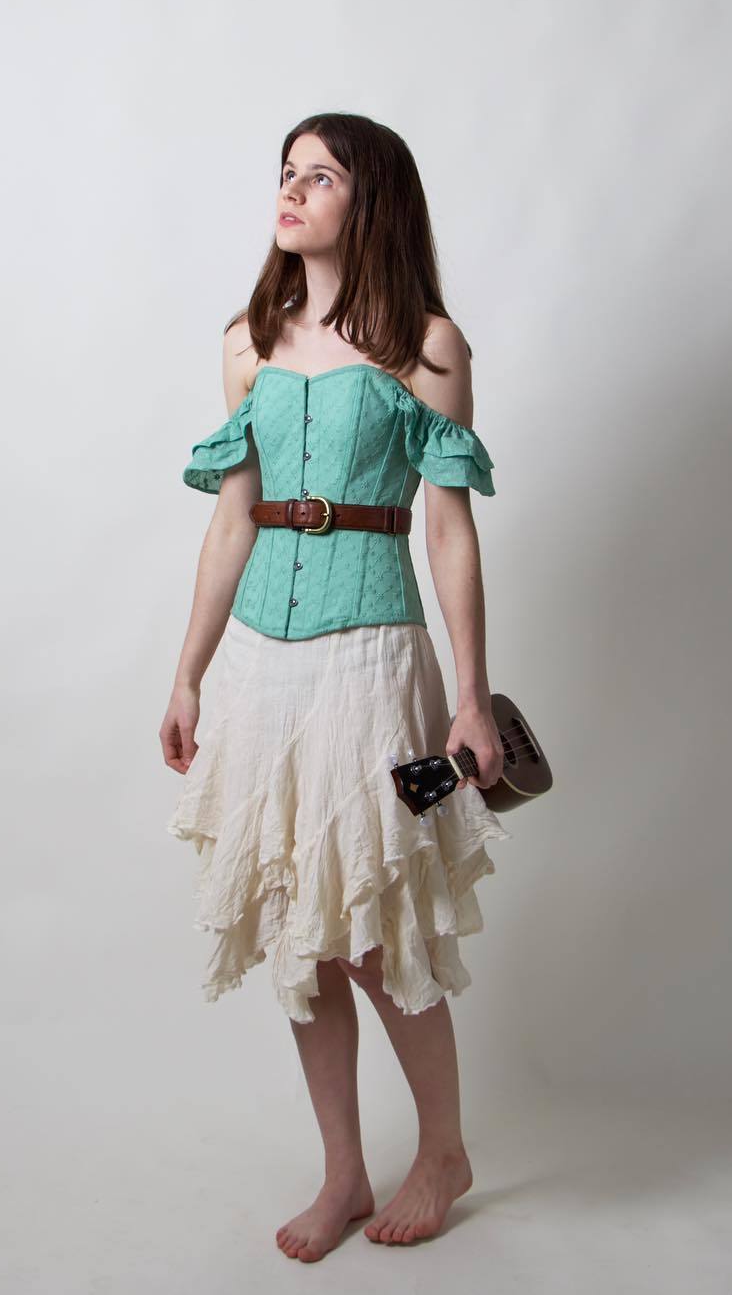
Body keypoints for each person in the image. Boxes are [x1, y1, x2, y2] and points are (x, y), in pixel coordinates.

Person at [159, 112, 511, 1262]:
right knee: (298, 929)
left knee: (375, 922)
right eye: (287, 171)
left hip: (375, 664)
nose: (293, 189)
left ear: (373, 202)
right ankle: (344, 1170)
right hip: (261, 667)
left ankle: (443, 1150)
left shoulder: (427, 344)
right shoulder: (247, 342)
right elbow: (232, 522)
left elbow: (448, 530)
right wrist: (188, 674)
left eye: (321, 175)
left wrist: (472, 697)